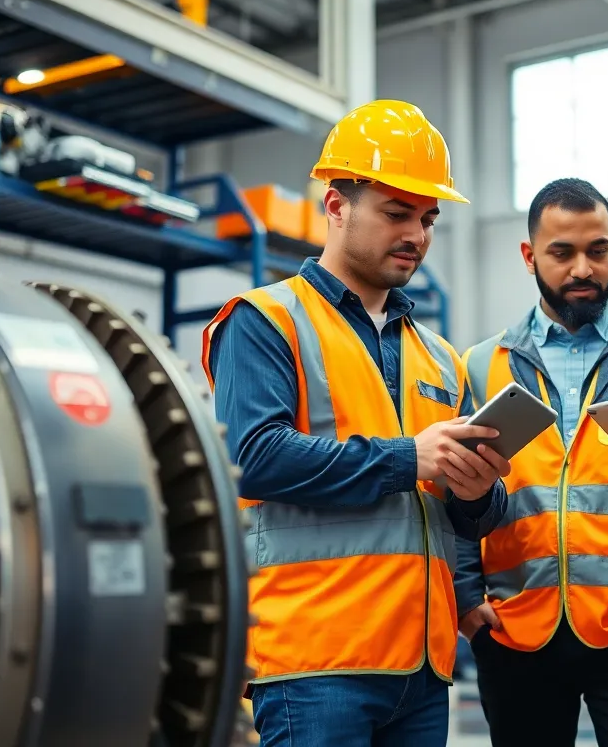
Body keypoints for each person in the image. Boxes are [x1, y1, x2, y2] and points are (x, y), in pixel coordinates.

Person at [201, 100, 511, 747]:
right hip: (317, 662)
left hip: (422, 666)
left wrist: (478, 490)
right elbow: (253, 458)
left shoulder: (439, 356)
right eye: (396, 214)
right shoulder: (265, 320)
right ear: (336, 206)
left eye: (428, 219)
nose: (417, 235)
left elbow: (458, 516)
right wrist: (409, 458)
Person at [454, 178, 608, 747]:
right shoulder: (482, 363)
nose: (582, 268)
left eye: (597, 250)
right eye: (562, 253)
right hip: (514, 623)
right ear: (529, 255)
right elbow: (455, 492)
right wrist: (468, 600)